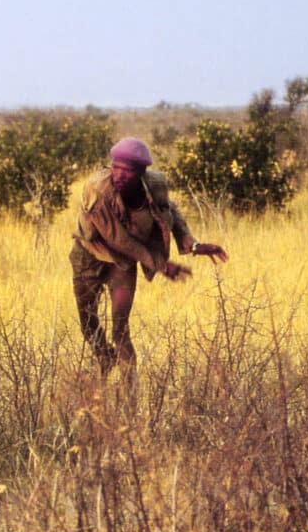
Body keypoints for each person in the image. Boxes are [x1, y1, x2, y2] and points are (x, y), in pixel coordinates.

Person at [70, 137, 228, 382]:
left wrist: (192, 243)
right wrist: (161, 265)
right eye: (116, 167)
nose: (119, 175)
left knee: (120, 329)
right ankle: (105, 357)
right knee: (88, 324)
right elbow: (117, 238)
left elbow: (169, 211)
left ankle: (129, 397)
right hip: (90, 255)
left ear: (141, 173)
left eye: (128, 170)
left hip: (123, 263)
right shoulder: (97, 189)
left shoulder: (154, 185)